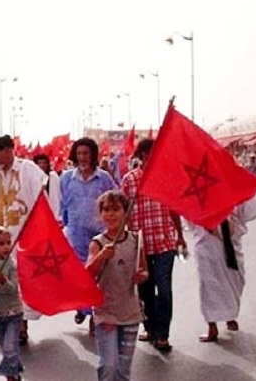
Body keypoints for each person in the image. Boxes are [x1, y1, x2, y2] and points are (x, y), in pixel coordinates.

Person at [0, 135, 45, 344]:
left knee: (20, 284)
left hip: (23, 239)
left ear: (9, 150)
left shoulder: (28, 170)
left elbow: (41, 200)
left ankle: (20, 325)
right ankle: (5, 323)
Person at [121, 138, 185, 352]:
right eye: (146, 155)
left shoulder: (167, 178)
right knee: (145, 290)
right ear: (140, 156)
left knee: (164, 288)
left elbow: (174, 208)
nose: (150, 158)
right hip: (140, 246)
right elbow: (123, 212)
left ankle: (163, 334)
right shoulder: (129, 180)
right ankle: (149, 327)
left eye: (154, 154)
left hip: (164, 242)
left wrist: (180, 236)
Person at [86, 191, 148, 381]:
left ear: (125, 212)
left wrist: (141, 276)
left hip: (130, 313)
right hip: (106, 313)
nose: (110, 214)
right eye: (106, 210)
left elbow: (144, 270)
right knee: (109, 365)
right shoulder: (98, 243)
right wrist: (101, 257)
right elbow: (87, 273)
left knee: (123, 369)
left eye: (116, 209)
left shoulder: (136, 240)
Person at [60, 138, 117, 327]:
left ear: (93, 155)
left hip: (99, 233)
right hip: (76, 233)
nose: (83, 157)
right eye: (79, 154)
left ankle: (95, 313)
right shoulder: (67, 178)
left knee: (99, 272)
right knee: (80, 274)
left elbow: (115, 200)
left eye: (86, 153)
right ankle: (82, 307)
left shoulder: (104, 178)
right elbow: (62, 205)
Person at [191, 197, 256, 342]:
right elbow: (189, 215)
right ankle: (212, 326)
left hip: (232, 245)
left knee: (235, 281)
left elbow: (249, 211)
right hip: (207, 246)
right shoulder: (198, 192)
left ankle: (230, 315)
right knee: (209, 285)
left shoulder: (233, 187)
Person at [0, 226, 23, 381]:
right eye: (1, 244)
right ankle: (15, 368)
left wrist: (4, 281)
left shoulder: (12, 265)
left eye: (8, 243)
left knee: (9, 347)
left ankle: (11, 376)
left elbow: (14, 289)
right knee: (6, 347)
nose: (6, 246)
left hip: (13, 313)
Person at [32, 153, 62, 221]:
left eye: (44, 163)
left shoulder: (53, 176)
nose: (42, 165)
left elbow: (58, 195)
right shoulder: (32, 178)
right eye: (39, 163)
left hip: (52, 210)